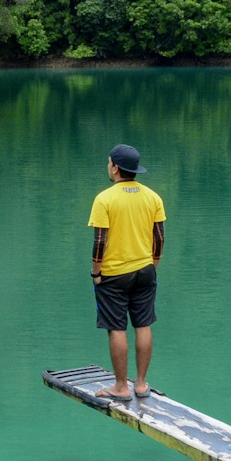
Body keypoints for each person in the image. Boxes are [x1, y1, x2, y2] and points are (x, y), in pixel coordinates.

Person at [88, 143, 166, 403]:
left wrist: (96, 273)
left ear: (116, 168)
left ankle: (122, 386)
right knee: (143, 324)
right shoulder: (152, 196)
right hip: (145, 270)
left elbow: (100, 241)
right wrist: (153, 264)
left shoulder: (104, 199)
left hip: (114, 274)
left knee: (117, 328)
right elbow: (159, 237)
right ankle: (141, 384)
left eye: (109, 162)